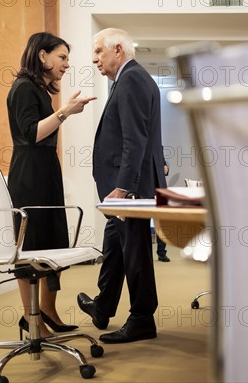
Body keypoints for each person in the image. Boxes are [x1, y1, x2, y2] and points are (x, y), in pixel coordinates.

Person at [77, 28, 167, 344]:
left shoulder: (131, 79)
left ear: (118, 49)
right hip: (127, 184)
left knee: (135, 250)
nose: (94, 59)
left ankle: (142, 318)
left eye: (98, 52)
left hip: (129, 186)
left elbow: (135, 137)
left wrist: (125, 186)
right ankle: (104, 305)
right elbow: (143, 131)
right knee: (115, 242)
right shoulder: (131, 79)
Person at [7, 32, 96, 338]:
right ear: (41, 56)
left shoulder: (40, 91)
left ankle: (47, 310)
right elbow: (31, 134)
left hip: (45, 171)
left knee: (52, 241)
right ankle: (31, 318)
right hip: (29, 174)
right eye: (62, 57)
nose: (67, 64)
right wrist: (65, 112)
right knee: (31, 246)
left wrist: (62, 112)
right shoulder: (22, 88)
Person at [157, 159, 170, 262]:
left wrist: (166, 167)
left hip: (161, 190)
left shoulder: (158, 150)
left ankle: (162, 252)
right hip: (145, 190)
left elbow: (165, 167)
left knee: (162, 222)